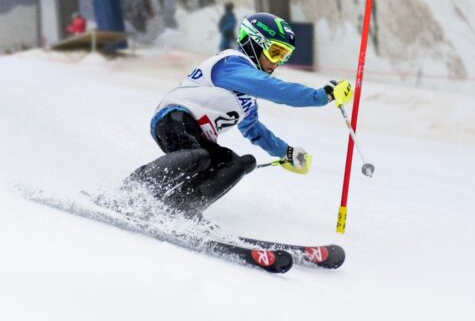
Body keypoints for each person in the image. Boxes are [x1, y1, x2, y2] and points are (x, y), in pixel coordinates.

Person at [125, 12, 353, 215]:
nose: (276, 64)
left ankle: (182, 208)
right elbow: (275, 90)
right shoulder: (231, 64)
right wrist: (321, 96)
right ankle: (133, 191)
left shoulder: (247, 100)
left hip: (199, 136)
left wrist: (287, 152)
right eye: (275, 53)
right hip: (174, 119)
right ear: (254, 43)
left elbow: (255, 131)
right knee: (200, 157)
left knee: (236, 163)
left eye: (283, 57)